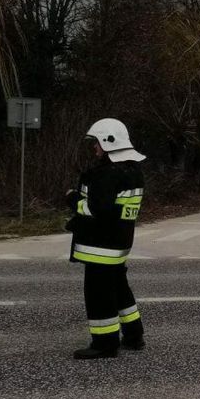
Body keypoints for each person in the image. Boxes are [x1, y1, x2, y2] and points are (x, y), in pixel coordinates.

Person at [65, 118, 146, 360]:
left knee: (98, 295)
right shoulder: (133, 172)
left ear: (108, 143)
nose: (94, 148)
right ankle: (134, 336)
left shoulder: (105, 175)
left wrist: (72, 199)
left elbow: (97, 209)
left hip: (100, 246)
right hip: (119, 244)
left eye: (97, 143)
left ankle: (104, 343)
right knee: (120, 291)